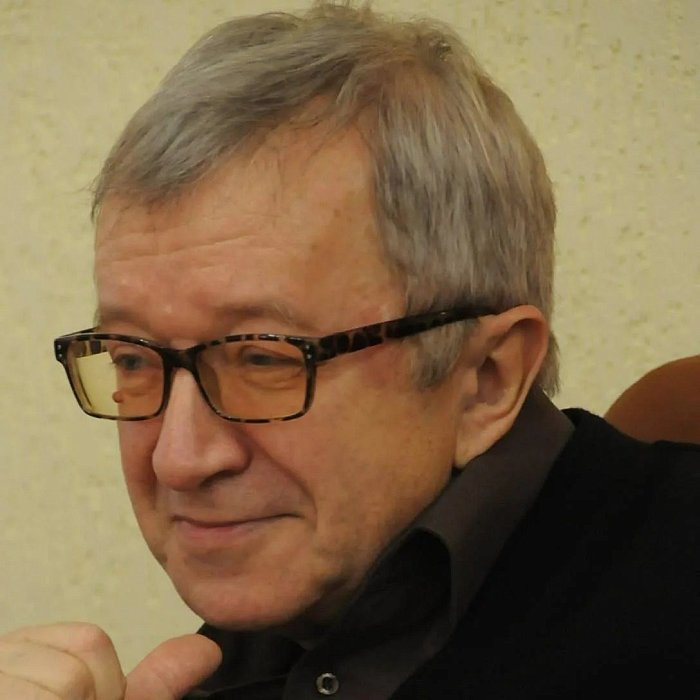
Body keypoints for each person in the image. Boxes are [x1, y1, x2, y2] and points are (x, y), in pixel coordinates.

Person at [2, 2, 699, 698]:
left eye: (262, 358)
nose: (177, 459)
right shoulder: (264, 636)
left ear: (486, 378)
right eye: (133, 358)